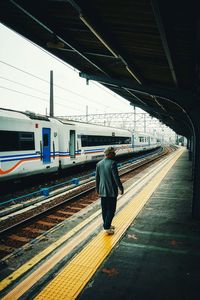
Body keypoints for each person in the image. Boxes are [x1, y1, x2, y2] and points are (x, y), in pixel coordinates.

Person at [95, 146, 124, 235]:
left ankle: (107, 224)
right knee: (111, 209)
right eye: (113, 152)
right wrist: (121, 188)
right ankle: (107, 227)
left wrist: (97, 189)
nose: (115, 154)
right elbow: (116, 178)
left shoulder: (99, 164)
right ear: (109, 154)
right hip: (111, 191)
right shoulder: (112, 163)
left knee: (105, 209)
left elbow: (97, 178)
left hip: (102, 190)